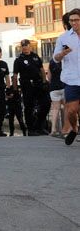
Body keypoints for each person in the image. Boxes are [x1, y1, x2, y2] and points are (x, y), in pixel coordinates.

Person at [52, 8, 80, 146]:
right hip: (71, 79)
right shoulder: (63, 38)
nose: (74, 23)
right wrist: (63, 54)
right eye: (71, 20)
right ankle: (74, 129)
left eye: (76, 20)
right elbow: (55, 58)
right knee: (71, 110)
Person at [12, 39, 49, 136]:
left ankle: (39, 126)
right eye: (23, 46)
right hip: (27, 85)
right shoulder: (19, 60)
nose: (25, 47)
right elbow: (15, 76)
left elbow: (42, 70)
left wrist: (44, 82)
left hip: (38, 84)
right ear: (21, 47)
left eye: (26, 45)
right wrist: (15, 89)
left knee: (46, 104)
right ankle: (31, 129)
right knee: (29, 107)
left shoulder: (36, 56)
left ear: (30, 46)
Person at [48, 57, 68, 137]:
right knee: (66, 108)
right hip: (64, 87)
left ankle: (53, 130)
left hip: (53, 88)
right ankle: (66, 129)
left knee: (55, 109)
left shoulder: (51, 61)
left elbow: (49, 77)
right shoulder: (65, 61)